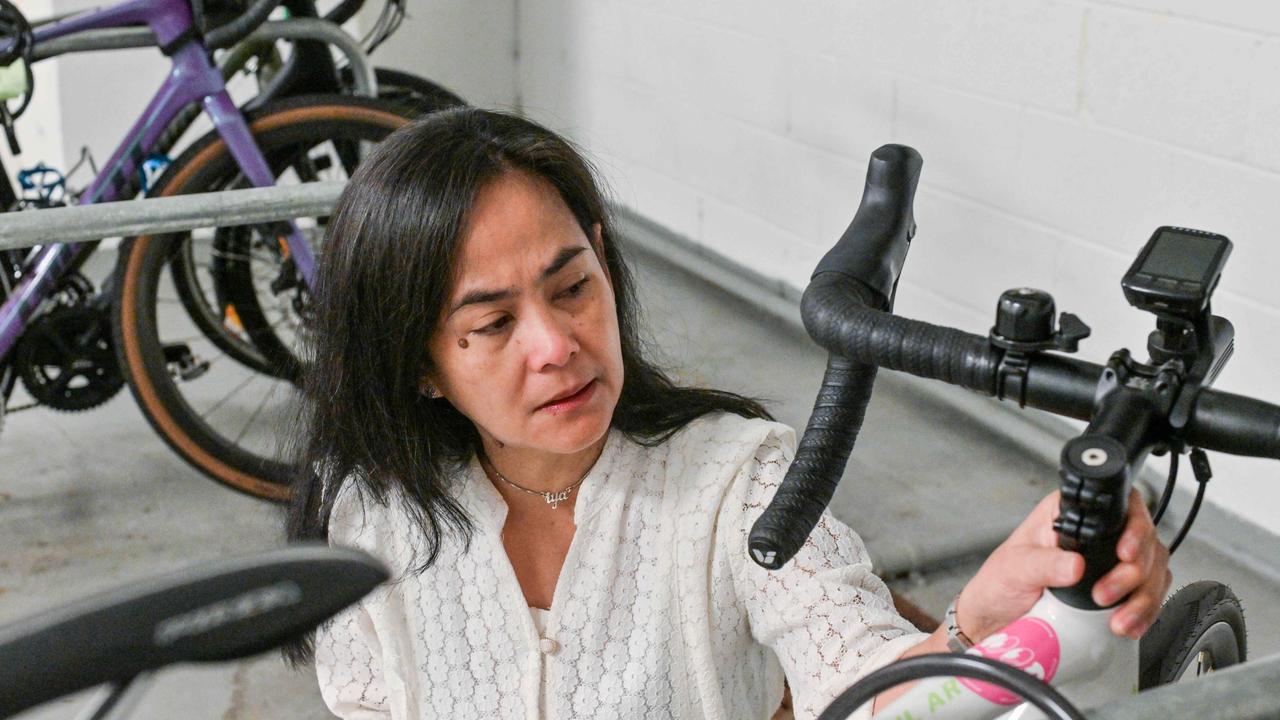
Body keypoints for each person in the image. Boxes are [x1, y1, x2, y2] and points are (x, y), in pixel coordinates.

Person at [285, 108, 1171, 719]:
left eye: (572, 286)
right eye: (493, 323)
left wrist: (979, 613)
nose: (556, 344)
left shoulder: (736, 481)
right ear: (421, 365)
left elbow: (860, 693)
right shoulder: (370, 516)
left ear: (603, 259)